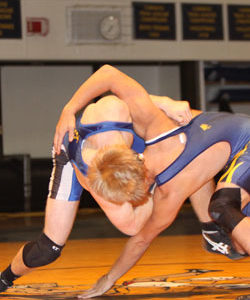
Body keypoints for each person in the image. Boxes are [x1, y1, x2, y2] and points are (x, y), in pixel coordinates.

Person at [51, 65, 249, 298]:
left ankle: (212, 228)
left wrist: (69, 110)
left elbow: (142, 240)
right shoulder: (154, 128)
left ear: (145, 187)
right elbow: (141, 239)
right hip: (237, 149)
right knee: (239, 243)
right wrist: (108, 278)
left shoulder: (170, 190)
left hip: (245, 145)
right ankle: (212, 230)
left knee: (222, 207)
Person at [0, 91, 214, 293]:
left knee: (192, 146)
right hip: (71, 155)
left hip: (115, 138)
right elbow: (135, 227)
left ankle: (211, 228)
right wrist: (162, 184)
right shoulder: (94, 182)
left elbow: (129, 92)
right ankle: (5, 277)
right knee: (48, 249)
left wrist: (165, 102)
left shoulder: (111, 111)